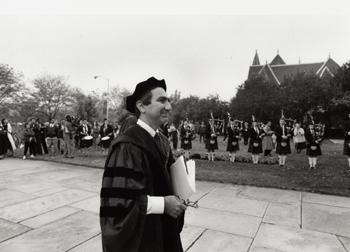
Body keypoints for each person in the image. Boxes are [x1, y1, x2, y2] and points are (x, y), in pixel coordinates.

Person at [100, 77, 186, 252]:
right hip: (142, 238)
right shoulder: (127, 145)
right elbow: (120, 202)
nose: (169, 107)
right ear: (141, 106)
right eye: (161, 100)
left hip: (163, 230)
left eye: (168, 100)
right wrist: (164, 204)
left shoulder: (161, 140)